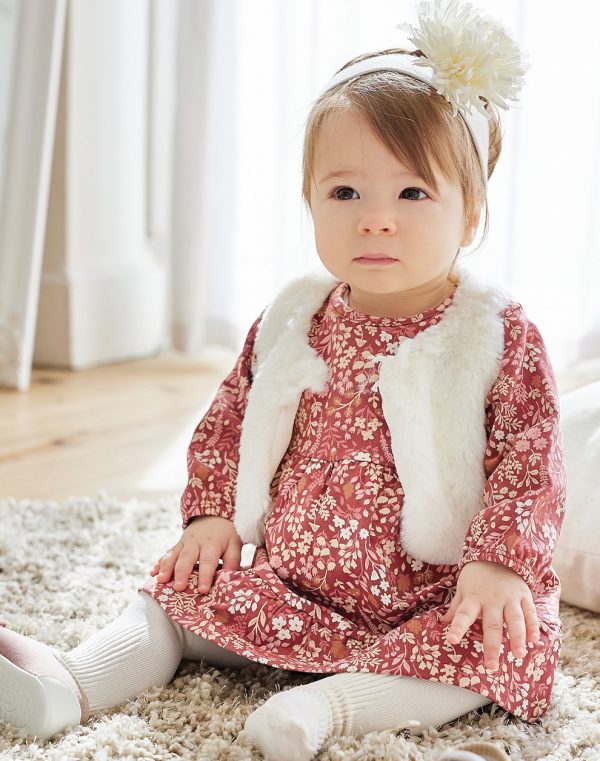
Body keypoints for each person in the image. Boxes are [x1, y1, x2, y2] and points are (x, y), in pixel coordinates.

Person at [0, 2, 566, 760]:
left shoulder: (496, 334)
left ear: (470, 216)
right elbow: (230, 421)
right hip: (296, 582)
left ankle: (322, 708)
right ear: (309, 202)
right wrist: (212, 518)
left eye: (412, 194)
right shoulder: (295, 316)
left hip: (435, 595)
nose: (376, 220)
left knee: (498, 650)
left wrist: (500, 565)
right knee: (177, 596)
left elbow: (532, 464)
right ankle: (73, 683)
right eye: (344, 194)